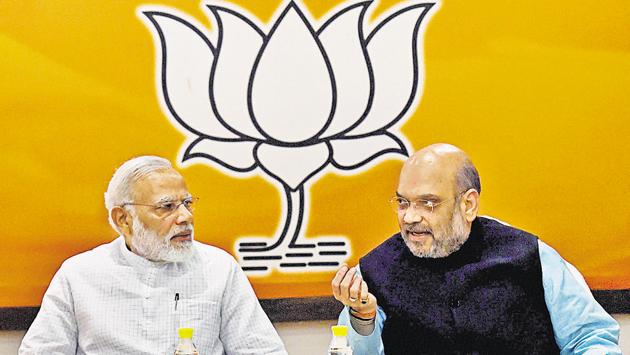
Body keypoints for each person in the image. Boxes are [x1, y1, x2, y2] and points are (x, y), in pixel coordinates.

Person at [331, 143, 621, 354]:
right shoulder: (372, 274)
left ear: (467, 204)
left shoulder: (531, 256)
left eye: (428, 203)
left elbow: (591, 338)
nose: (409, 217)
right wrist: (362, 318)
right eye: (403, 203)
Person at [20, 156, 287, 355]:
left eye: (187, 203)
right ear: (123, 219)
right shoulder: (78, 275)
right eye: (167, 207)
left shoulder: (219, 268)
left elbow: (262, 350)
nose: (185, 217)